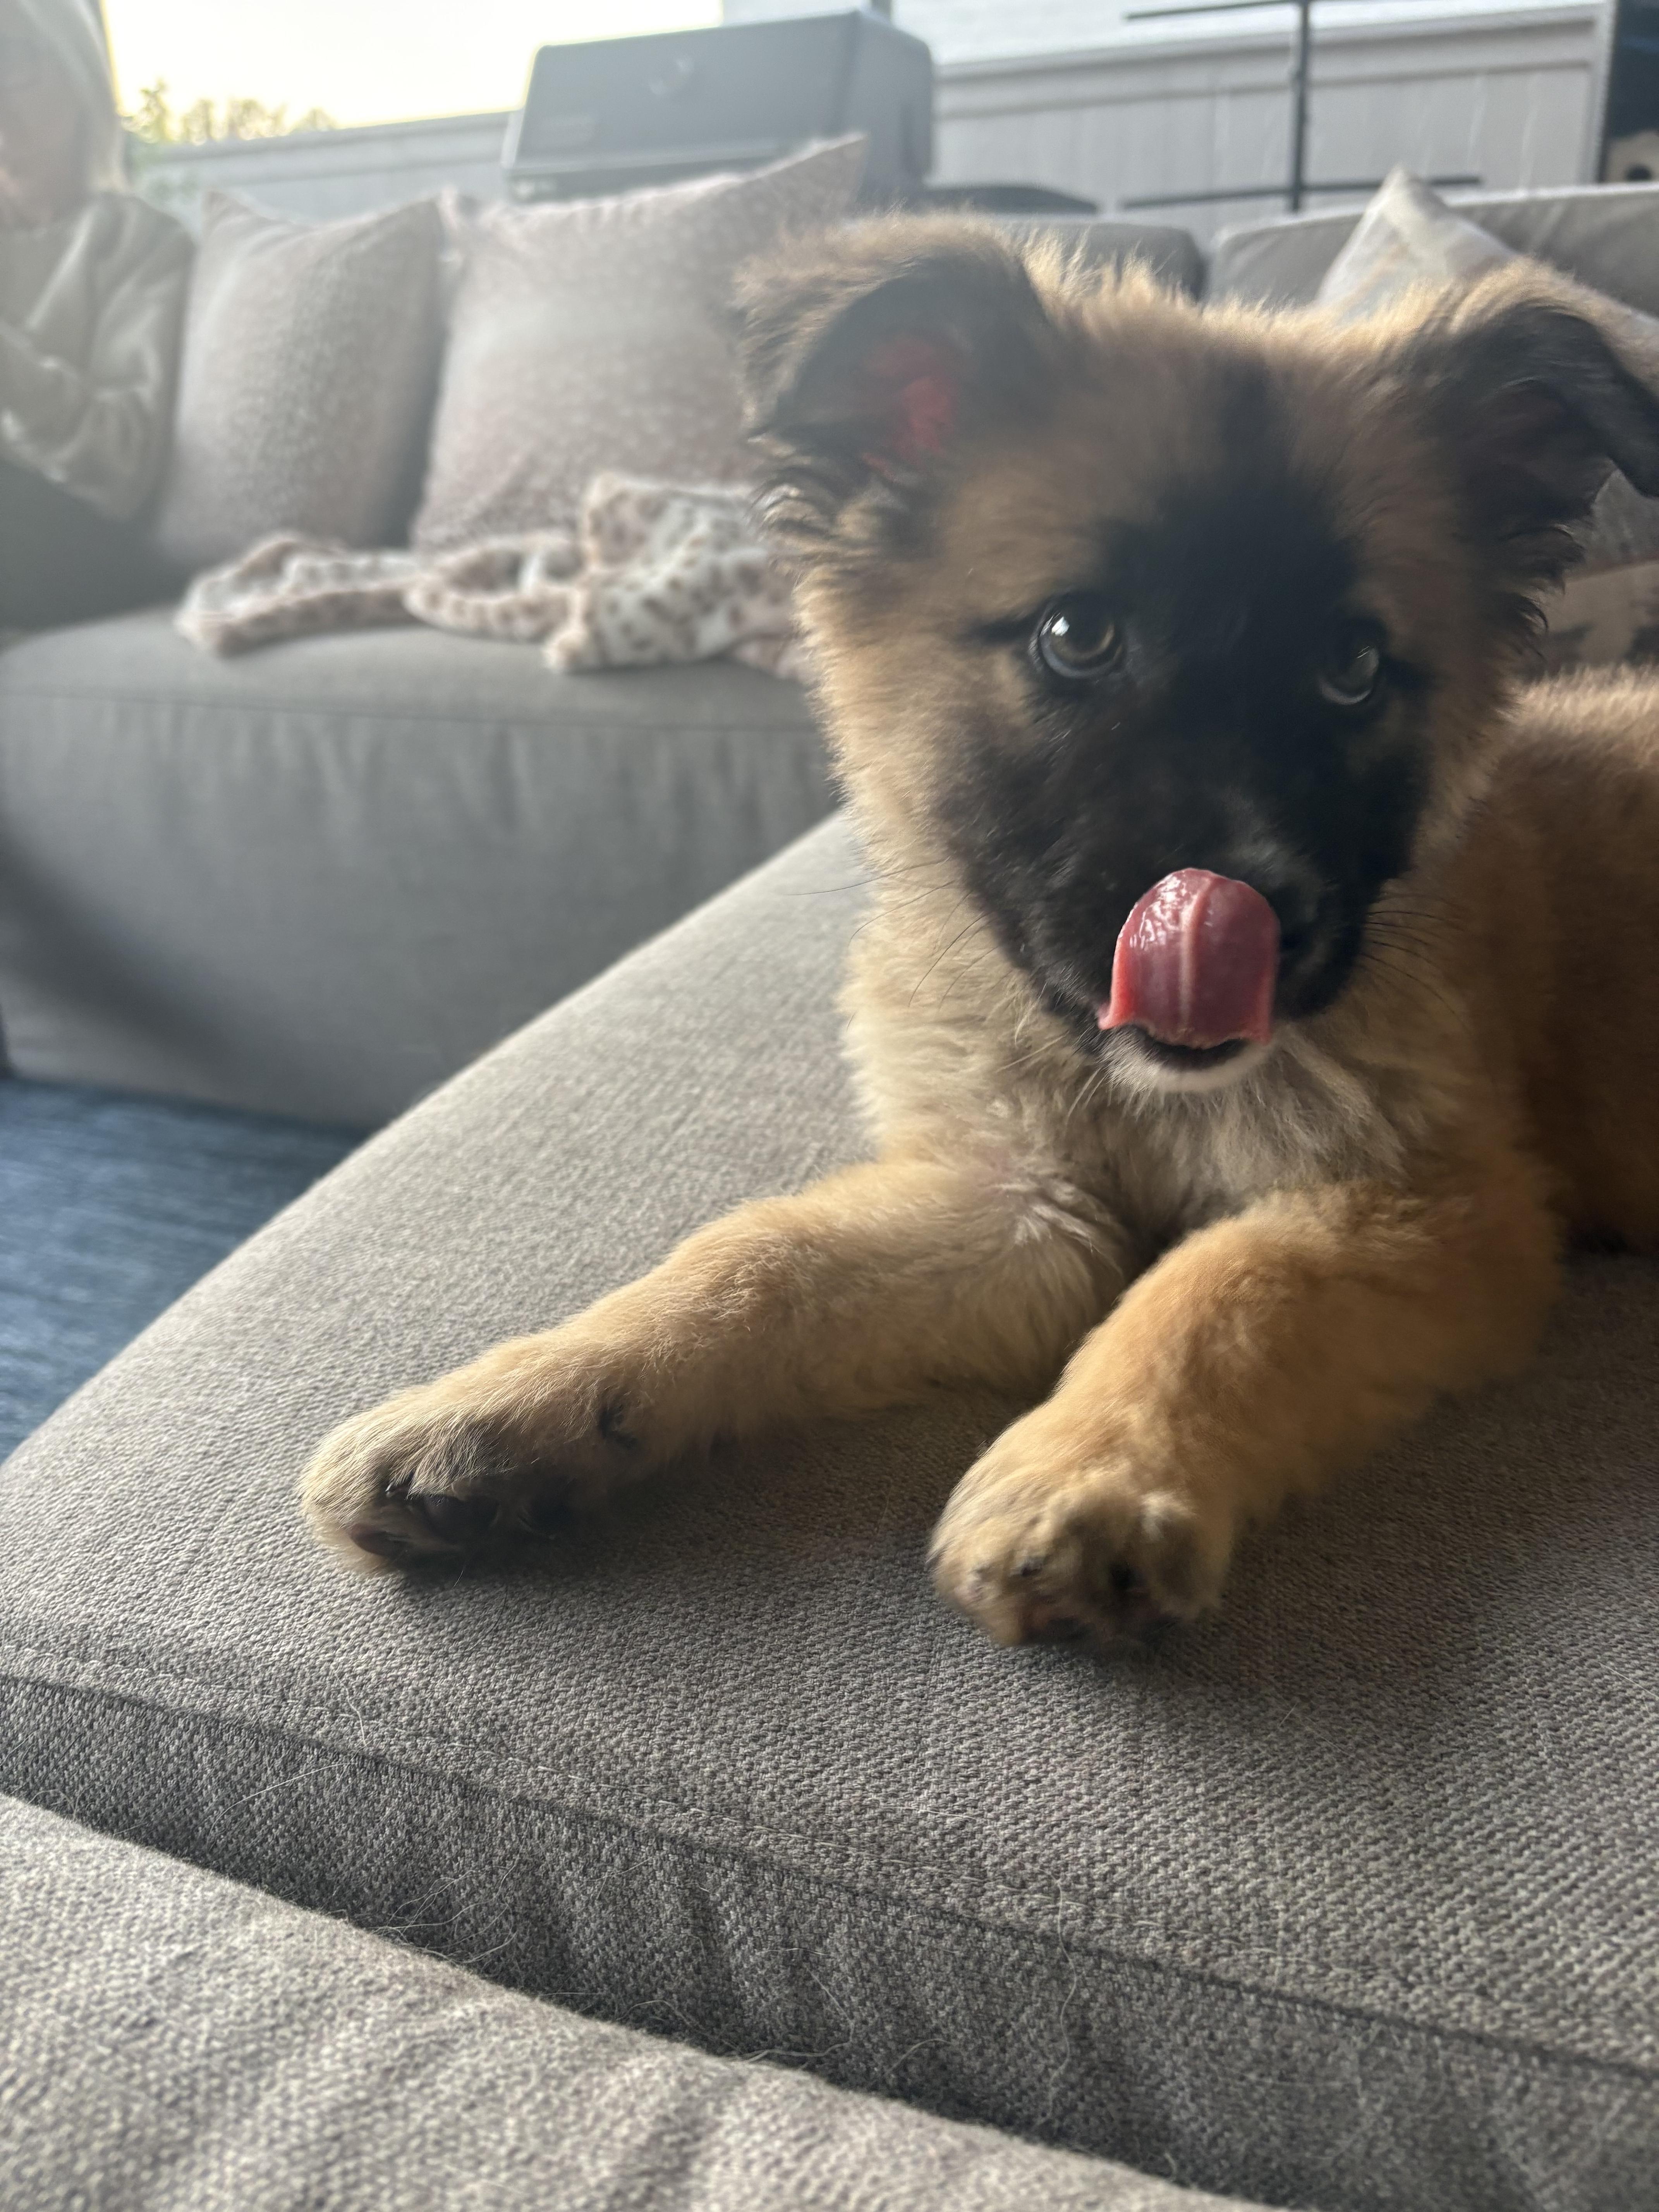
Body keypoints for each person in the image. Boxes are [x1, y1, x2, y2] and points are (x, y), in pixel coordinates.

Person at [0, 0, 191, 627]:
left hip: (75, 533)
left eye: (18, 61)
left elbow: (122, 464)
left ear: (78, 75)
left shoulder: (145, 245)